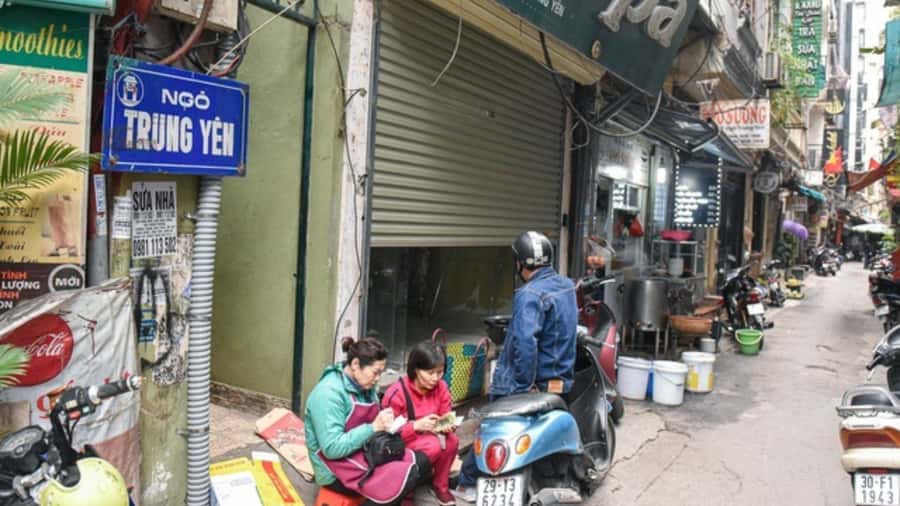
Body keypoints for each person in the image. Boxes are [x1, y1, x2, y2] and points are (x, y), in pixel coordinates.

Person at [453, 231, 579, 502]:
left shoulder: (529, 293)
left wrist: (523, 386)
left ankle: (467, 482)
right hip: (558, 380)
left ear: (520, 263)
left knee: (490, 427)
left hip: (524, 383)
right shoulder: (567, 286)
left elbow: (525, 342)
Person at [305, 337, 432, 505]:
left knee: (422, 462)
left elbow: (372, 420)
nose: (377, 378)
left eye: (381, 373)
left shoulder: (365, 385)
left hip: (363, 452)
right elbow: (332, 449)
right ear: (355, 364)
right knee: (406, 475)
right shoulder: (328, 394)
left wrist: (387, 423)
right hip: (335, 469)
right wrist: (373, 427)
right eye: (375, 372)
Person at [382, 342, 458, 506]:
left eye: (440, 372)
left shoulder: (441, 387)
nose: (435, 378)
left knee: (452, 441)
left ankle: (440, 485)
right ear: (416, 369)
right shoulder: (397, 393)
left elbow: (446, 413)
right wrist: (415, 426)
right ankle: (406, 490)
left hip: (430, 435)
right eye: (430, 373)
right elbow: (386, 432)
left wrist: (448, 424)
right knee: (432, 445)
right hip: (401, 440)